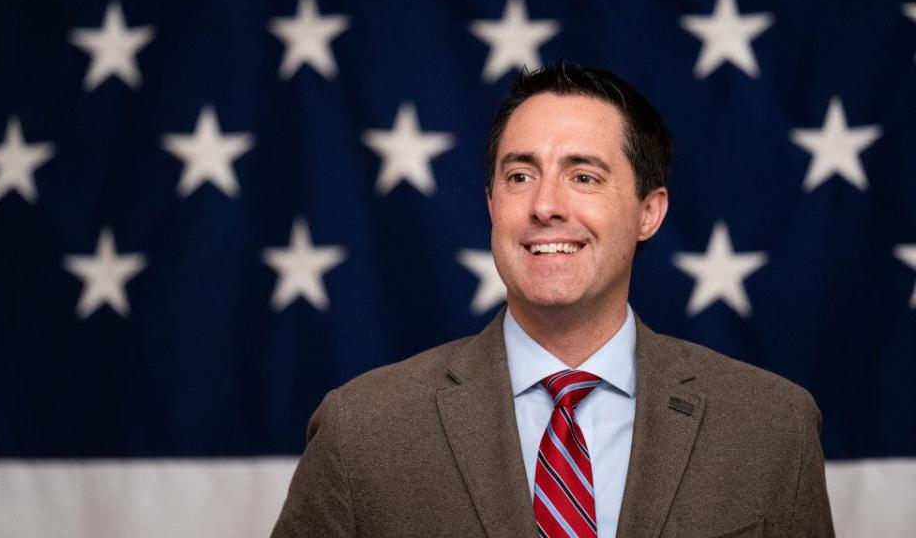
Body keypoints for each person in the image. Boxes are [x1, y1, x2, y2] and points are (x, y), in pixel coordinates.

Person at [272, 62, 834, 537]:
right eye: (520, 176)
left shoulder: (771, 426)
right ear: (492, 205)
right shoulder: (363, 428)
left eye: (583, 177)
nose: (546, 206)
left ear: (649, 212)